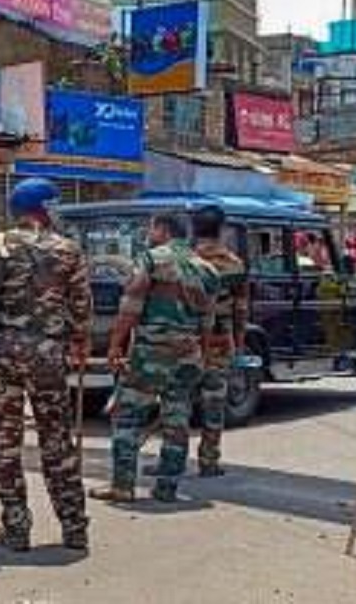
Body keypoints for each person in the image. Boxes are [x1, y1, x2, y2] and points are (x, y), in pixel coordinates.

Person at [0, 178, 91, 552]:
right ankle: (74, 526)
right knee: (57, 441)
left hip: (0, 357)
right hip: (48, 357)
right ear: (43, 208)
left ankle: (16, 528)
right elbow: (81, 307)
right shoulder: (68, 250)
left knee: (6, 445)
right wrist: (79, 343)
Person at [91, 213, 218, 505]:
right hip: (188, 354)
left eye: (151, 229)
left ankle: (123, 486)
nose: (149, 234)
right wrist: (203, 354)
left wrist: (115, 346)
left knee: (127, 416)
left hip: (151, 353)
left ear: (163, 229)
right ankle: (167, 488)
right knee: (177, 420)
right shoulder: (207, 269)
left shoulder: (152, 259)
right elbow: (208, 321)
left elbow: (131, 307)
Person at [191, 206, 249, 478]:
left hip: (185, 340)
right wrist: (239, 340)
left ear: (194, 229)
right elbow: (241, 308)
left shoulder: (185, 261)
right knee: (214, 402)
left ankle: (171, 459)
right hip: (219, 340)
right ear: (222, 230)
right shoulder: (235, 264)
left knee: (176, 402)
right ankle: (209, 460)